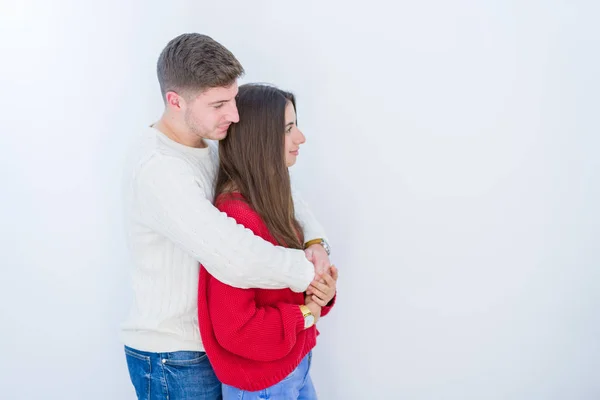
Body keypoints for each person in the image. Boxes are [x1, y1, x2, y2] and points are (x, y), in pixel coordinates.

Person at [121, 33, 332, 400]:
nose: (234, 115)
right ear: (175, 101)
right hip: (175, 356)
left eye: (234, 99)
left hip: (214, 347)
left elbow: (279, 188)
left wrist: (316, 242)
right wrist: (309, 281)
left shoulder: (209, 142)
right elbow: (234, 256)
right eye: (219, 104)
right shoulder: (160, 169)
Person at [198, 84, 338, 400]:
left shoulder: (274, 200)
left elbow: (292, 290)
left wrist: (321, 293)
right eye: (288, 129)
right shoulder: (235, 215)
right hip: (264, 385)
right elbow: (236, 329)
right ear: (259, 138)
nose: (300, 138)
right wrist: (308, 313)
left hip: (295, 367)